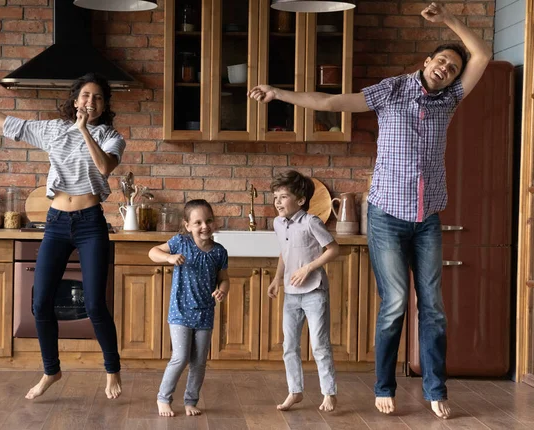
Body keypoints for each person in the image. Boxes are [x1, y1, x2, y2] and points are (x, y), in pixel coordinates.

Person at [249, 2, 492, 419]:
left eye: (453, 68)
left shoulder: (450, 99)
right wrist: (278, 93)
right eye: (442, 62)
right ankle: (384, 386)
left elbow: (482, 56)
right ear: (426, 61)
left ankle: (436, 389)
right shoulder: (392, 90)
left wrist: (449, 18)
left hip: (427, 218)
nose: (446, 70)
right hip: (386, 218)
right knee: (396, 301)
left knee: (432, 305)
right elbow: (329, 103)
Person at [0, 73, 127, 400]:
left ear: (104, 106)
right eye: (86, 96)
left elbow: (104, 168)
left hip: (90, 223)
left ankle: (112, 369)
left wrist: (84, 131)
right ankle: (51, 370)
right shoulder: (52, 130)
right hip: (57, 222)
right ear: (75, 100)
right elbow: (8, 124)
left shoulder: (109, 136)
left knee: (94, 303)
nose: (91, 102)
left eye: (98, 98)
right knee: (40, 301)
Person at [148, 199, 230, 417]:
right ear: (187, 225)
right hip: (180, 312)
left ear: (214, 222)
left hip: (205, 313)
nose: (205, 226)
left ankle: (190, 401)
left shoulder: (219, 252)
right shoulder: (180, 243)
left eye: (209, 220)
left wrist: (223, 290)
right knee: (181, 356)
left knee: (199, 361)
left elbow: (224, 279)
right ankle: (163, 398)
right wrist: (169, 257)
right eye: (198, 222)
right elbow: (152, 252)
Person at [267, 170, 340, 412]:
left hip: (314, 292)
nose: (277, 201)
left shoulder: (312, 222)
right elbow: (284, 252)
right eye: (275, 196)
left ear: (300, 200)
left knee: (319, 345)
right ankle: (295, 391)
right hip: (290, 293)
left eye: (283, 196)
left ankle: (329, 393)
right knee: (289, 345)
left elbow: (332, 249)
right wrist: (278, 278)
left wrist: (309, 268)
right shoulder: (278, 223)